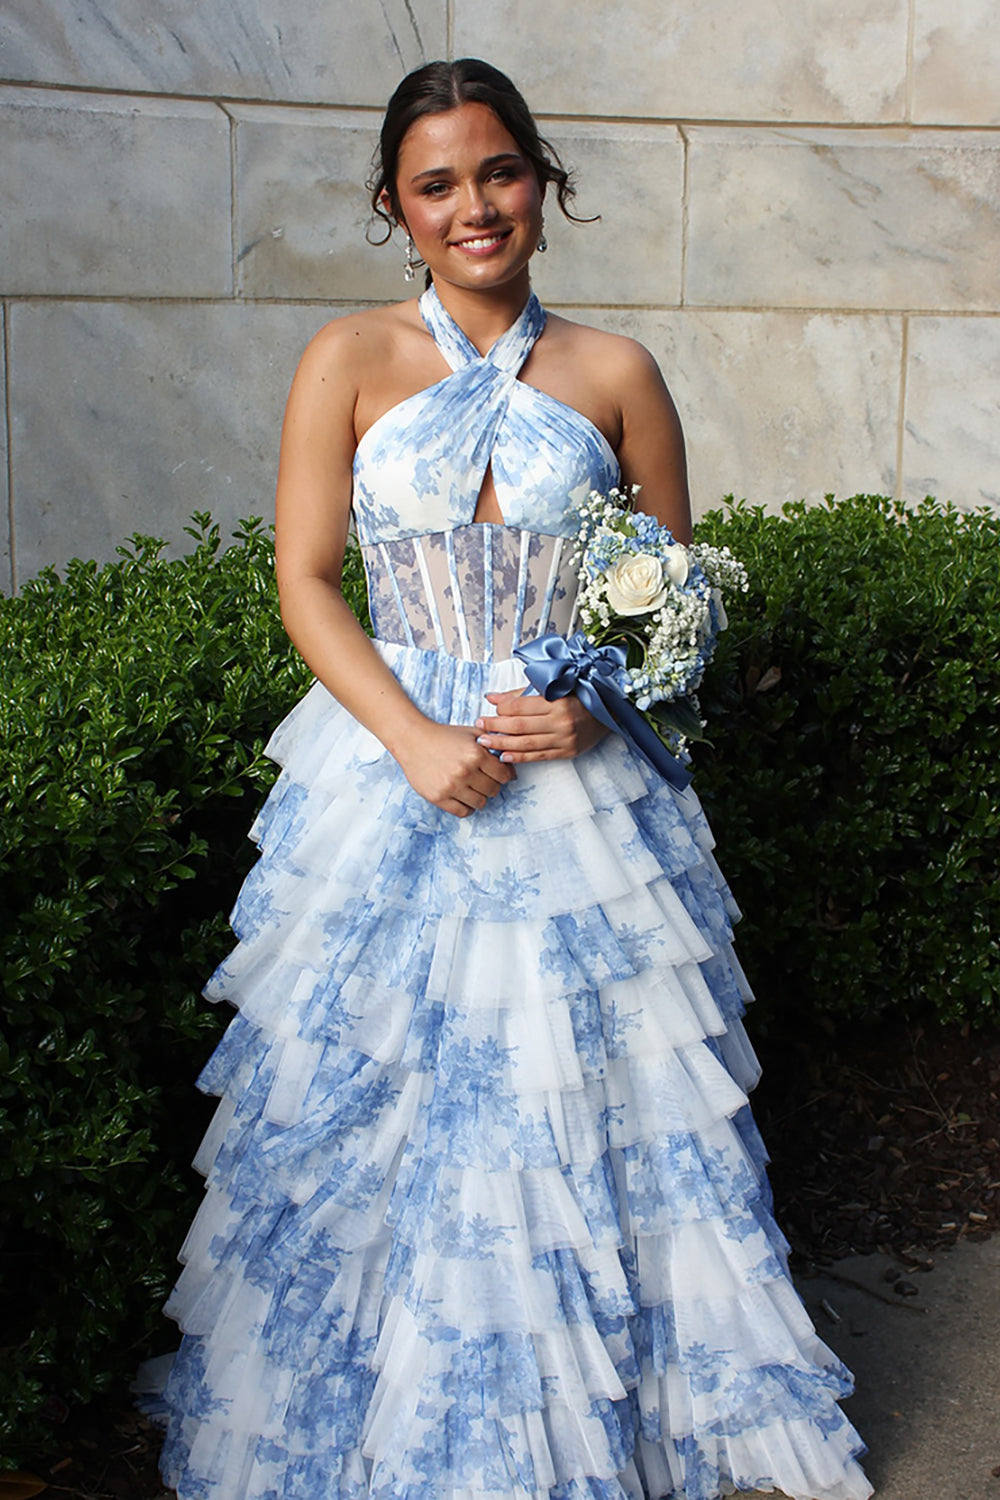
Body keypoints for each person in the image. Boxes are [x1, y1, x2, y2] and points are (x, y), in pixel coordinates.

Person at [153, 58, 873, 1500]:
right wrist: (411, 738)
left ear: (542, 181)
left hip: (578, 794)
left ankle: (601, 1402)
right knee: (368, 1087)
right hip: (384, 767)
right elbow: (303, 584)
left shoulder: (616, 373)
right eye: (437, 184)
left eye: (498, 172)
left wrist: (598, 717)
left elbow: (682, 596)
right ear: (394, 209)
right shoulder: (345, 361)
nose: (474, 206)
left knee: (585, 1089)